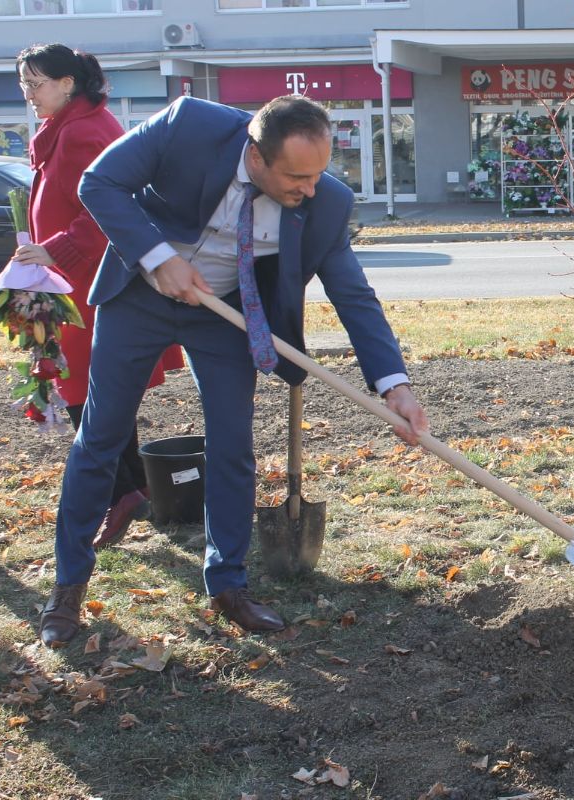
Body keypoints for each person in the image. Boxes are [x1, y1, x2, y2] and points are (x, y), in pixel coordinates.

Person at [38, 95, 429, 648]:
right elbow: (98, 183)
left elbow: (354, 296)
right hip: (139, 298)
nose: (310, 189)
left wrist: (396, 386)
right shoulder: (187, 126)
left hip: (224, 315)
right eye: (296, 177)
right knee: (101, 435)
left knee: (232, 445)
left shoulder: (326, 202)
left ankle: (227, 583)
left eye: (318, 173)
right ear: (256, 155)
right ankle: (68, 585)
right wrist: (158, 257)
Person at [14, 43, 184, 551]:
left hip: (88, 285)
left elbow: (111, 207)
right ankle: (138, 490)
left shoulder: (83, 131)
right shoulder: (70, 126)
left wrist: (55, 250)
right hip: (77, 281)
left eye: (35, 84)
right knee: (100, 392)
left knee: (81, 391)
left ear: (67, 84)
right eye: (24, 85)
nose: (28, 95)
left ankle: (122, 492)